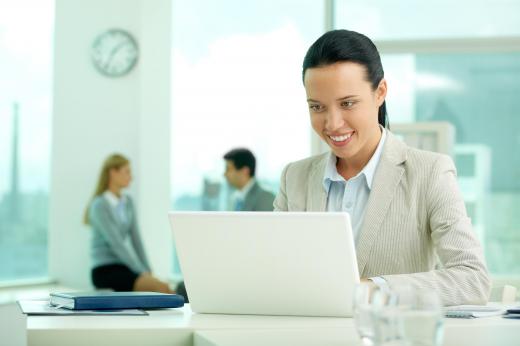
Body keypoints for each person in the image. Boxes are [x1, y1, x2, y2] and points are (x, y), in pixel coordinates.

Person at [273, 30, 490, 306]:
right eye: (317, 107)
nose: (332, 123)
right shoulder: (294, 178)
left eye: (347, 103)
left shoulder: (430, 172)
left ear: (380, 93)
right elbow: (277, 272)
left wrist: (374, 289)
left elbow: (473, 279)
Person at [84, 154, 173, 293]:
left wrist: (148, 271)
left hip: (124, 266)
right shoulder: (100, 205)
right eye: (127, 172)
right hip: (104, 270)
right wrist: (141, 272)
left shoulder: (128, 203)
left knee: (163, 287)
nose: (131, 177)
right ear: (113, 173)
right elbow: (117, 244)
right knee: (161, 288)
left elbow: (137, 240)